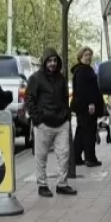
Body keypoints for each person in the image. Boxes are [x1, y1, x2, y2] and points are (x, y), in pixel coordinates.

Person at [25, 49, 75, 197]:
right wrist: (37, 120)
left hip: (62, 123)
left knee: (64, 154)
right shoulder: (35, 78)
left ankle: (62, 184)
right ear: (44, 62)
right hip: (43, 124)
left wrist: (67, 116)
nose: (52, 63)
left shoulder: (61, 78)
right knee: (41, 157)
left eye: (54, 60)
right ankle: (42, 185)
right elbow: (30, 100)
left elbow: (65, 98)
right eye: (49, 60)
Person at [70, 47, 104, 168]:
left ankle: (76, 157)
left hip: (82, 107)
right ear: (80, 57)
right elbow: (83, 90)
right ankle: (90, 158)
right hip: (87, 108)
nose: (88, 57)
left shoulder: (83, 70)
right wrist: (90, 103)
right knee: (89, 133)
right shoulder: (83, 71)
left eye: (90, 54)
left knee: (81, 132)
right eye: (86, 55)